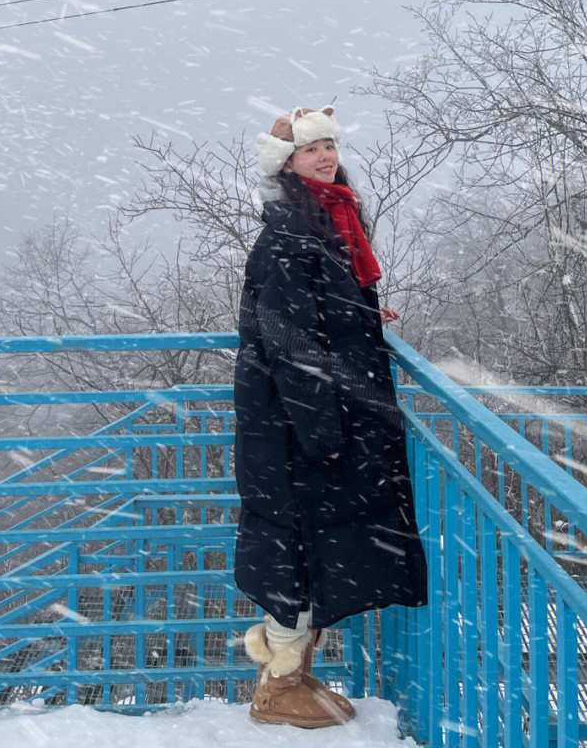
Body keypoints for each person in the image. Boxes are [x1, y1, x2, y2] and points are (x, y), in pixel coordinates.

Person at [233, 105, 428, 729]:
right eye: (310, 149)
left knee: (310, 548)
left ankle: (287, 672)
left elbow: (321, 311)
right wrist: (323, 434)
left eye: (329, 146)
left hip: (312, 420)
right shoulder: (288, 236)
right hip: (297, 428)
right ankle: (277, 687)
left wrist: (366, 316)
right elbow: (289, 344)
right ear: (287, 165)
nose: (324, 156)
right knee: (295, 550)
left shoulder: (324, 222)